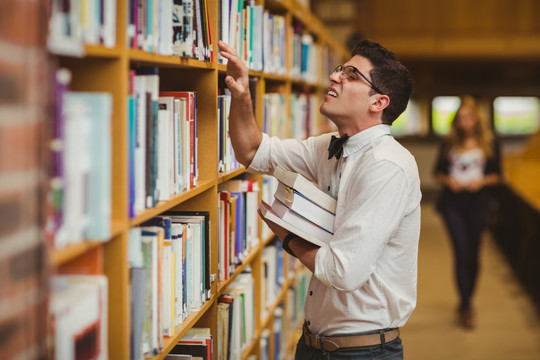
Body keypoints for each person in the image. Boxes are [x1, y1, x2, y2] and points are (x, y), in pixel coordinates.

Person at [219, 39, 421, 360]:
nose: (334, 76)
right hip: (314, 343)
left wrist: (287, 237)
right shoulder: (329, 146)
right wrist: (241, 94)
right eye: (340, 68)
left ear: (378, 102)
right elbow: (251, 151)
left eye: (352, 75)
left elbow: (342, 272)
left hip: (363, 352)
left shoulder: (386, 166)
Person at [433, 96, 502, 329]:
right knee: (461, 252)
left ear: (476, 119)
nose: (464, 122)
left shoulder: (490, 143)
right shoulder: (448, 143)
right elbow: (437, 172)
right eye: (460, 118)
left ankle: (467, 298)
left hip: (478, 203)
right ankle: (466, 304)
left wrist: (480, 182)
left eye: (468, 117)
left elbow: (498, 175)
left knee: (474, 255)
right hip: (453, 204)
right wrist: (449, 180)